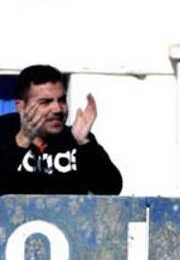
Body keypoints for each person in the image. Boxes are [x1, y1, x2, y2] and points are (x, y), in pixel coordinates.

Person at [0, 64, 122, 195]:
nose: (57, 109)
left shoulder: (76, 138)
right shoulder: (3, 133)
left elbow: (111, 189)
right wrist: (22, 142)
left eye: (62, 100)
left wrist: (84, 144)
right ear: (21, 107)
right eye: (45, 102)